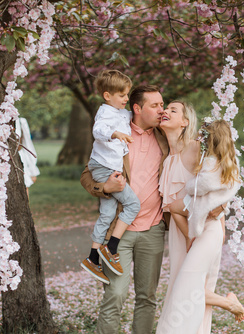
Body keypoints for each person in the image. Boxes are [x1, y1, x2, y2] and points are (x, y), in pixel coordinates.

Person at [80, 84, 168, 334]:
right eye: (156, 105)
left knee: (147, 297)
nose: (161, 110)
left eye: (162, 104)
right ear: (137, 108)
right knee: (115, 295)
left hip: (153, 229)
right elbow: (88, 176)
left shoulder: (165, 136)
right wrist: (105, 188)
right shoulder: (113, 133)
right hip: (121, 231)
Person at [156, 106, 244, 333]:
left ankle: (225, 305)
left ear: (185, 122)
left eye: (173, 109)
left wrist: (222, 204)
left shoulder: (197, 146)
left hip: (206, 226)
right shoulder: (163, 153)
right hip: (181, 229)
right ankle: (226, 304)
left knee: (190, 283)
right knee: (181, 283)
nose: (166, 110)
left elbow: (227, 166)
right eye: (165, 108)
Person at [80, 70, 142, 285]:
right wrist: (116, 134)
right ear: (108, 96)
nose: (126, 99)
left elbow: (134, 116)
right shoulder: (105, 112)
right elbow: (99, 131)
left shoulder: (122, 112)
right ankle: (111, 247)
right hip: (103, 166)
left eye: (127, 95)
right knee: (133, 205)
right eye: (122, 95)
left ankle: (93, 257)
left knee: (106, 215)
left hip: (109, 167)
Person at [15, 117, 40, 197]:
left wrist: (33, 170)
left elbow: (27, 144)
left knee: (24, 187)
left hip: (19, 156)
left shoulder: (20, 121)